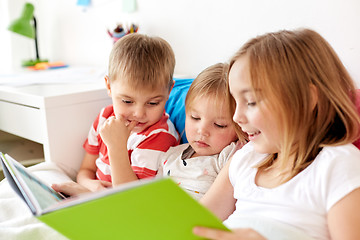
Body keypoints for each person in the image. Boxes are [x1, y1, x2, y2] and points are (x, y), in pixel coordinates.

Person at [193, 28, 360, 240]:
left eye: (251, 102)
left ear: (306, 100)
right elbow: (194, 227)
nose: (236, 116)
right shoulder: (245, 160)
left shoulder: (337, 166)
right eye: (235, 102)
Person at [77, 33, 180, 191]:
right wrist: (91, 186)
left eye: (152, 103)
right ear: (109, 86)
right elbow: (85, 171)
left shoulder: (160, 136)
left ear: (169, 91)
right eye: (127, 101)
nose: (139, 113)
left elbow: (133, 197)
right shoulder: (105, 117)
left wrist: (116, 146)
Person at [156, 63, 245, 200]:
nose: (202, 131)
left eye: (219, 125)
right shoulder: (170, 155)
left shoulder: (229, 156)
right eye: (195, 117)